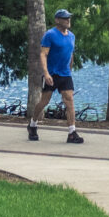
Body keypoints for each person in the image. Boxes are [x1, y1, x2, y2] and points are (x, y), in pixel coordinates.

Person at [30, 8, 82, 144]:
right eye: (65, 18)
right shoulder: (50, 35)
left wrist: (70, 70)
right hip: (52, 74)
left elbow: (70, 54)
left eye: (69, 18)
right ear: (57, 20)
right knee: (44, 101)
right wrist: (46, 73)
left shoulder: (72, 36)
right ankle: (32, 125)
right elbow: (43, 54)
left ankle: (72, 132)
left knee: (69, 100)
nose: (68, 20)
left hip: (65, 74)